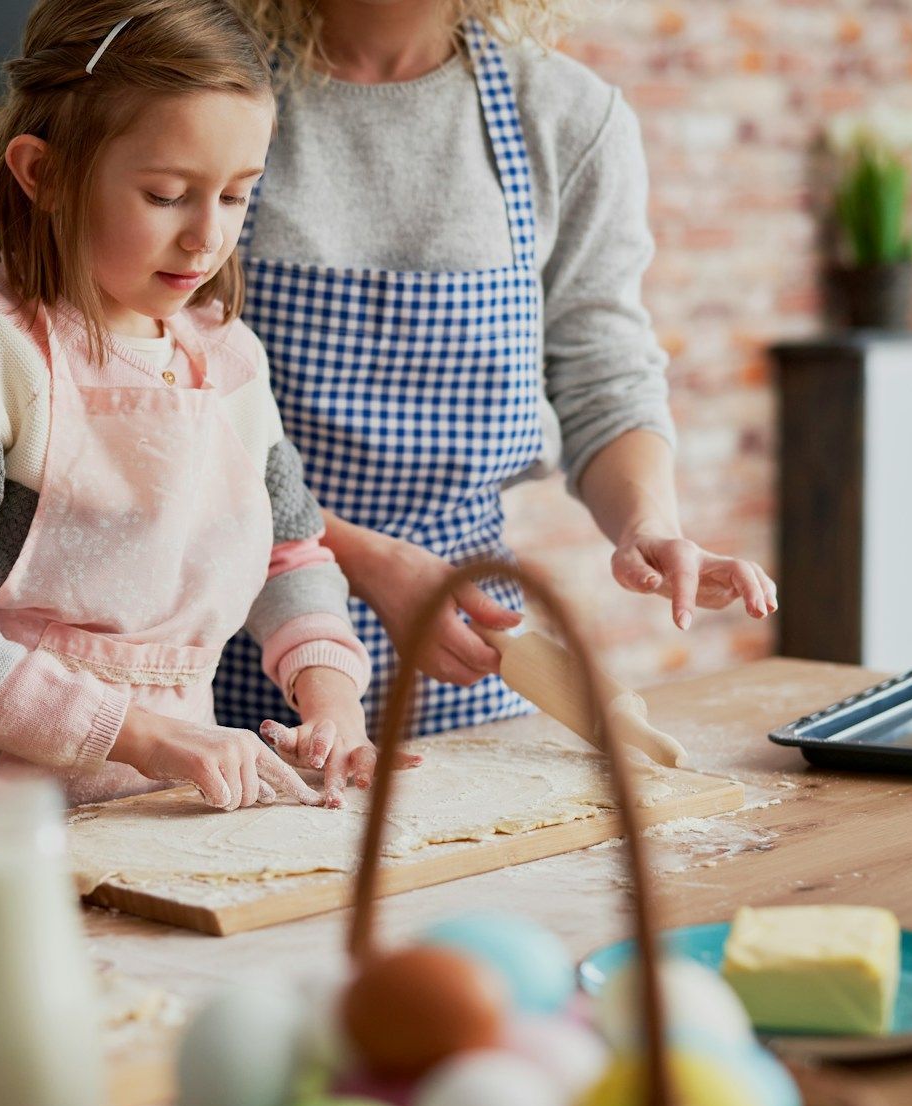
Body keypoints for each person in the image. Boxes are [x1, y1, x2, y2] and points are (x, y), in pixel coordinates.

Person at [0, 0, 403, 811]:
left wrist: (329, 697)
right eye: (167, 194)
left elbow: (291, 556)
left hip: (167, 812)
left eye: (236, 196)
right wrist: (144, 735)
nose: (206, 238)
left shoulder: (227, 355)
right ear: (42, 174)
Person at [213, 0, 779, 737]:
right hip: (220, 655)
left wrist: (648, 522)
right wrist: (355, 557)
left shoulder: (565, 115)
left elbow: (601, 375)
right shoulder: (210, 87)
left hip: (469, 656)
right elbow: (148, 401)